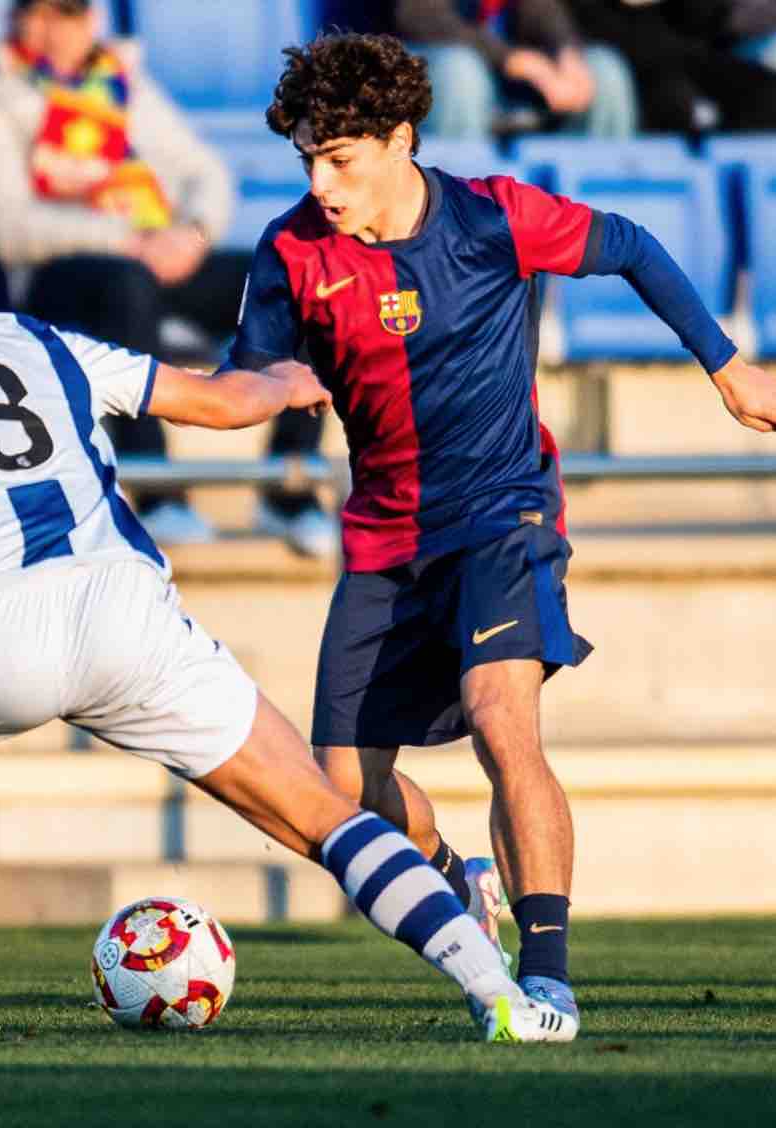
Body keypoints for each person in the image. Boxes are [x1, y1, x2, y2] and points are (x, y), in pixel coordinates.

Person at [0, 187, 575, 1049]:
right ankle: (499, 997)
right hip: (123, 615)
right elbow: (221, 401)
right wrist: (302, 381)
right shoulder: (41, 342)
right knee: (320, 811)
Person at [227, 32, 776, 1032]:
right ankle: (451, 873)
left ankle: (548, 975)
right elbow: (248, 370)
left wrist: (726, 365)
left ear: (399, 141)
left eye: (338, 159)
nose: (320, 182)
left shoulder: (488, 218)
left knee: (498, 716)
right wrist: (254, 388)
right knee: (342, 798)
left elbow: (632, 244)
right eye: (305, 159)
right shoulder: (289, 251)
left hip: (500, 513)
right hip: (382, 542)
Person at [0, 0, 333, 556]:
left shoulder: (123, 84)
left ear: (93, 22)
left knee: (291, 278)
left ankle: (289, 488)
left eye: (69, 13)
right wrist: (130, 242)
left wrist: (193, 236)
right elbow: (4, 224)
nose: (54, 28)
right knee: (124, 283)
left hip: (155, 255)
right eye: (39, 12)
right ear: (15, 20)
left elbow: (205, 172)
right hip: (56, 275)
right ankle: (156, 489)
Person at [392, 0, 637, 138]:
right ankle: (455, 207)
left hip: (507, 73)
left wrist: (567, 54)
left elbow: (541, 11)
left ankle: (600, 216)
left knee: (604, 70)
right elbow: (420, 18)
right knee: (459, 72)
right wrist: (514, 61)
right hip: (429, 64)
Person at [567, 0, 776, 132]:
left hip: (697, 62)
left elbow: (722, 21)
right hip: (639, 74)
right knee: (675, 101)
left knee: (765, 94)